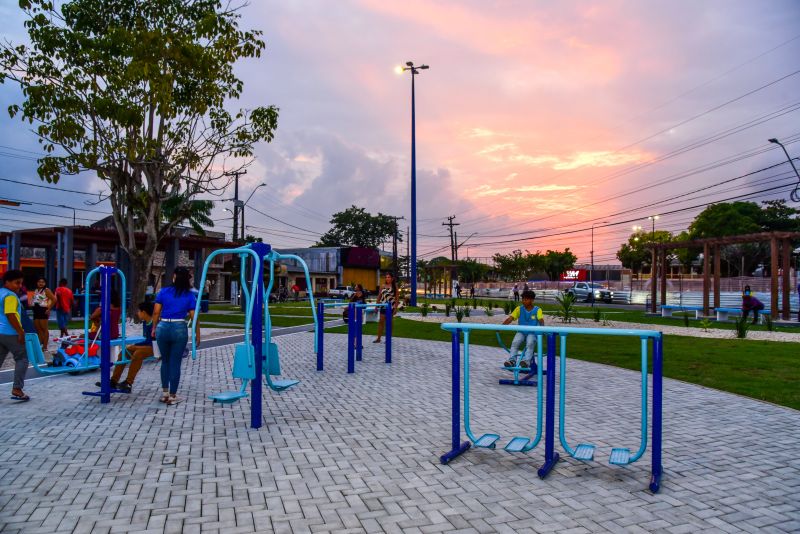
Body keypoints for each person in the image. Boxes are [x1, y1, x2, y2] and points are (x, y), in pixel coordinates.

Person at [152, 267, 199, 405]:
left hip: (163, 326)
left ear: (174, 277)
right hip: (179, 327)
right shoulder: (189, 295)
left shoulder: (163, 291)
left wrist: (154, 327)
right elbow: (194, 316)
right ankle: (173, 395)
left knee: (165, 361)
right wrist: (198, 334)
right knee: (175, 362)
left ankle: (165, 393)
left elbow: (156, 312)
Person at [101, 301, 155, 393]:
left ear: (144, 312)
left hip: (155, 347)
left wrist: (137, 346)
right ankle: (113, 380)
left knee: (138, 353)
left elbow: (152, 341)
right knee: (124, 352)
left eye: (139, 311)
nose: (137, 313)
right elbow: (147, 340)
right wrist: (135, 345)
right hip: (148, 345)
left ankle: (128, 382)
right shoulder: (146, 323)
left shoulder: (154, 323)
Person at [0, 270, 30, 401]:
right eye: (17, 283)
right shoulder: (10, 296)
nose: (19, 286)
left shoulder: (1, 292)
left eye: (21, 283)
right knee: (22, 358)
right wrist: (20, 332)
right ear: (7, 282)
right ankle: (17, 388)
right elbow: (10, 314)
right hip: (11, 332)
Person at [502, 290, 544, 369]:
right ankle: (512, 361)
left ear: (532, 300)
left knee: (530, 343)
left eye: (526, 299)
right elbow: (510, 318)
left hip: (532, 332)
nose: (523, 301)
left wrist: (542, 330)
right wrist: (501, 327)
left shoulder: (537, 310)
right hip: (521, 332)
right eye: (523, 299)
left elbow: (541, 320)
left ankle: (526, 361)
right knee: (515, 343)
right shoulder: (519, 309)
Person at [31, 277, 56, 351]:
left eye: (42, 282)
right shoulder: (36, 290)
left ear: (45, 283)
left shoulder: (46, 290)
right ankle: (39, 344)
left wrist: (49, 309)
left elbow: (54, 299)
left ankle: (45, 347)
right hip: (36, 310)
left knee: (44, 329)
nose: (41, 283)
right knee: (38, 329)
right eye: (39, 282)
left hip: (43, 310)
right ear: (37, 282)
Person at [373, 272, 398, 343]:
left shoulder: (395, 286)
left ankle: (388, 339)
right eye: (386, 277)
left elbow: (397, 298)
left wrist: (395, 308)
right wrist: (376, 306)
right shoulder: (383, 286)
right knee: (381, 322)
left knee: (389, 323)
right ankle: (378, 338)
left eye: (389, 277)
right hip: (383, 306)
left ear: (392, 278)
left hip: (391, 307)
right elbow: (379, 296)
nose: (387, 278)